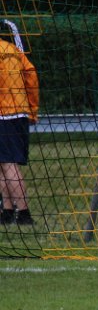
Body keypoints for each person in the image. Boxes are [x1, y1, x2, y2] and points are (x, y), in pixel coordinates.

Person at [0, 19, 39, 226]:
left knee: (8, 163)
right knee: (3, 163)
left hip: (4, 114)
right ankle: (6, 211)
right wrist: (32, 109)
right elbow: (31, 77)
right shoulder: (13, 50)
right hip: (19, 112)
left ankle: (23, 213)